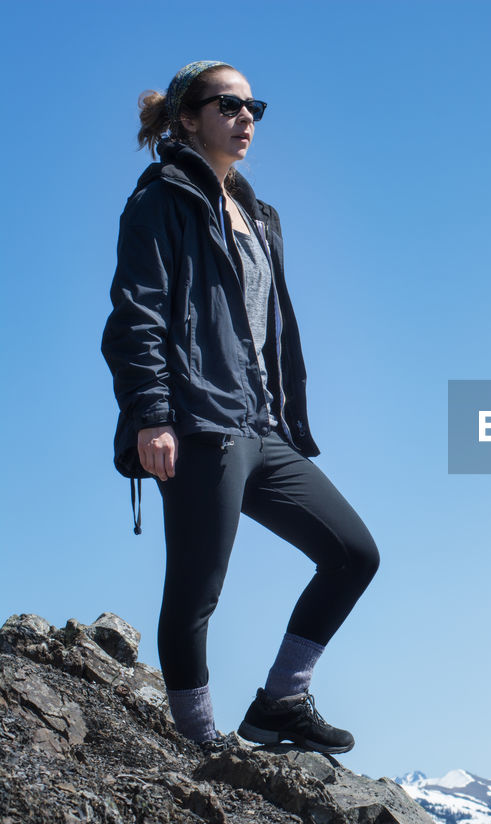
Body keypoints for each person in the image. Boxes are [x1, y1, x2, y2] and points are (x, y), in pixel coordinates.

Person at [101, 60, 379, 754]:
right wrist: (151, 413)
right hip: (196, 423)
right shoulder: (161, 199)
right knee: (196, 592)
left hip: (260, 425)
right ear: (188, 117)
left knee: (353, 553)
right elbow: (137, 313)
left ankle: (281, 700)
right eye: (227, 104)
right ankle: (199, 741)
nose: (245, 116)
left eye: (252, 104)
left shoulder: (255, 213)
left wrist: (283, 413)